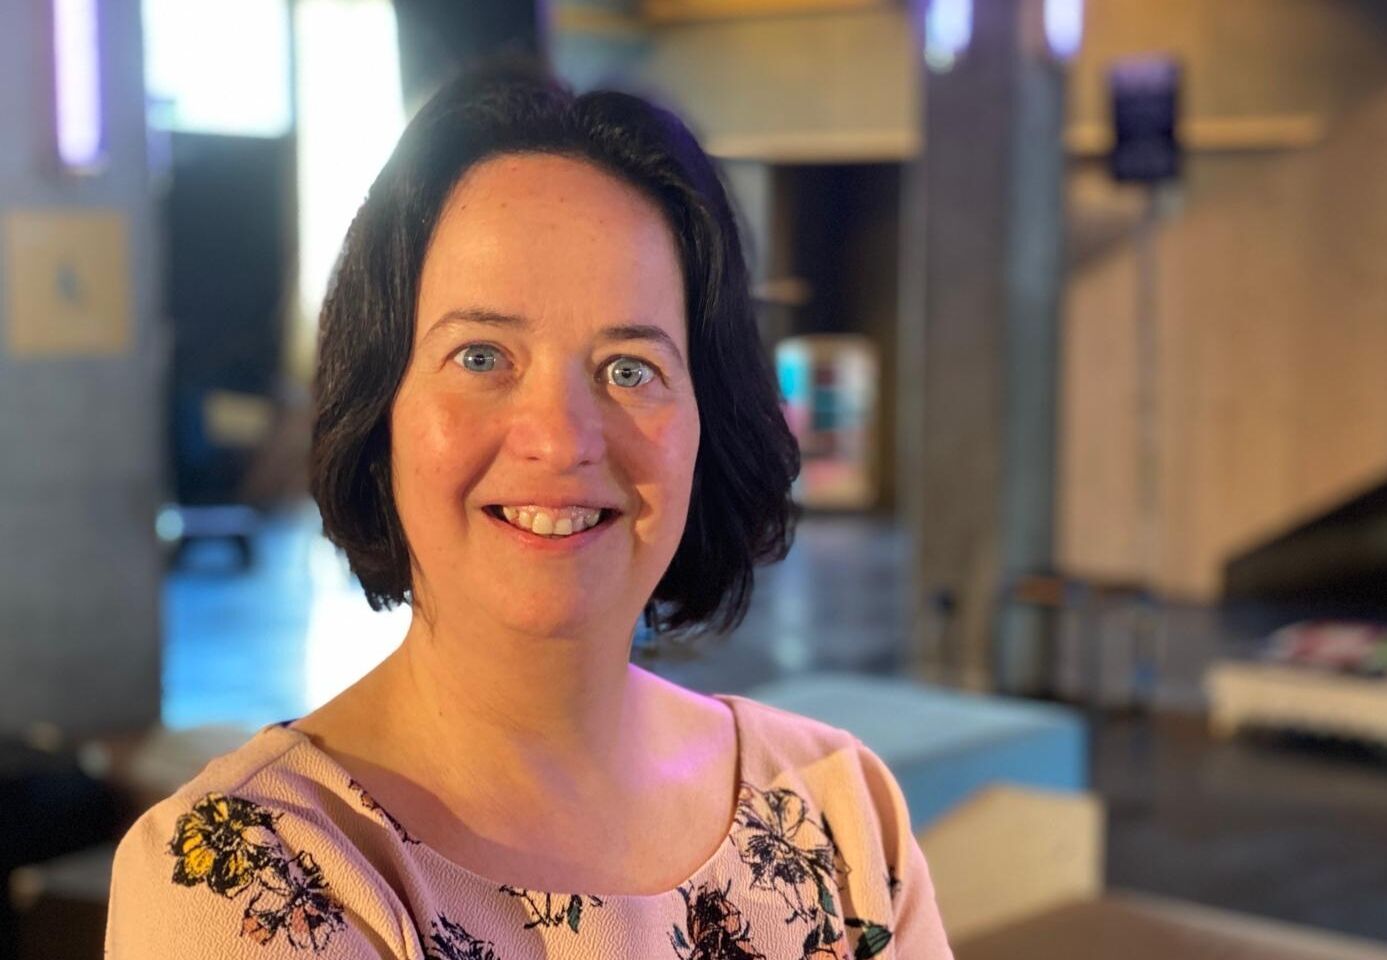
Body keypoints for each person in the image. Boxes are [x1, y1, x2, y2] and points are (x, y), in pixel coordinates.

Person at [106, 64, 954, 959]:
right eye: (481, 357)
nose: (559, 439)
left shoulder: (837, 811)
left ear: (710, 421)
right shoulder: (247, 876)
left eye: (629, 369)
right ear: (379, 407)